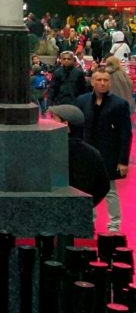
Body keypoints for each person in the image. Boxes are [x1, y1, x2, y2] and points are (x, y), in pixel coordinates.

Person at [76, 67, 132, 232]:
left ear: (110, 82)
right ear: (92, 81)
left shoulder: (120, 104)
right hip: (87, 153)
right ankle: (89, 221)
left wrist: (123, 161)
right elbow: (78, 128)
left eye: (105, 80)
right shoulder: (82, 101)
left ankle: (114, 224)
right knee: (86, 190)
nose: (102, 83)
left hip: (109, 154)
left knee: (110, 191)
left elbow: (125, 134)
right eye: (99, 80)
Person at [47, 104, 110, 207]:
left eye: (53, 118)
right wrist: (86, 205)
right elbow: (104, 186)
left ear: (65, 125)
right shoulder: (93, 153)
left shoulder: (50, 151)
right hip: (81, 212)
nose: (49, 121)